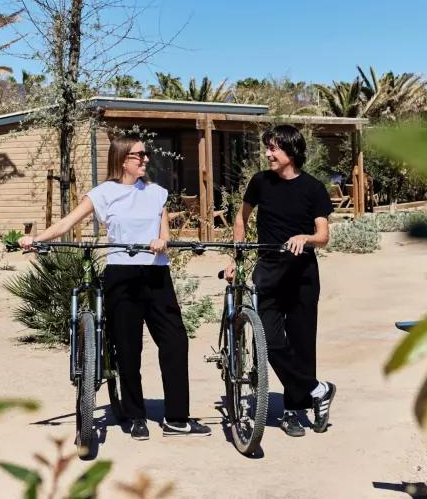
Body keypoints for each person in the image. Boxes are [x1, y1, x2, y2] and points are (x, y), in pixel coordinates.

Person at [19, 134, 211, 441]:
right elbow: (67, 223)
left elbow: (164, 237)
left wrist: (162, 242)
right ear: (122, 160)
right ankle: (136, 416)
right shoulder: (103, 193)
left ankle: (177, 418)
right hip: (122, 275)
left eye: (146, 154)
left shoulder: (157, 193)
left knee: (176, 342)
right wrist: (35, 240)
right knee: (128, 349)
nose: (146, 159)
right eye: (139, 155)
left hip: (157, 275)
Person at [225, 124, 336, 436]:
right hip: (268, 270)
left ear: (291, 151)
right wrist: (237, 258)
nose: (267, 154)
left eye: (273, 148)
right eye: (267, 148)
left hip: (302, 274)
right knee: (270, 340)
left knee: (302, 345)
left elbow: (323, 236)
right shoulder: (260, 181)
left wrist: (305, 237)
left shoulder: (313, 188)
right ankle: (318, 390)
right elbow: (241, 218)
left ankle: (292, 412)